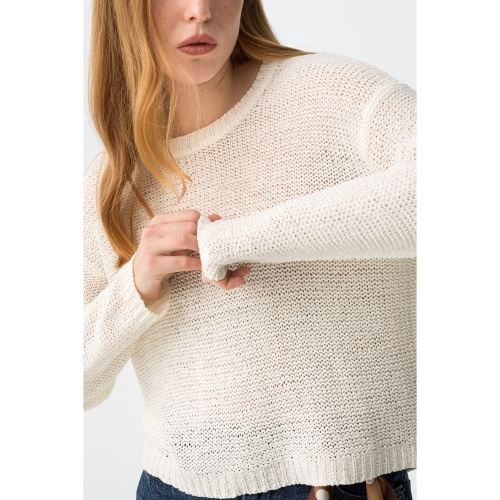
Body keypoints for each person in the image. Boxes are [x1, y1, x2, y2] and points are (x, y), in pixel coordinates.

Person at [84, 1, 416, 499]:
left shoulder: (330, 92)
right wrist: (135, 287)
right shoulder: (113, 184)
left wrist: (232, 240)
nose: (200, 11)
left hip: (334, 485)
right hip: (175, 487)